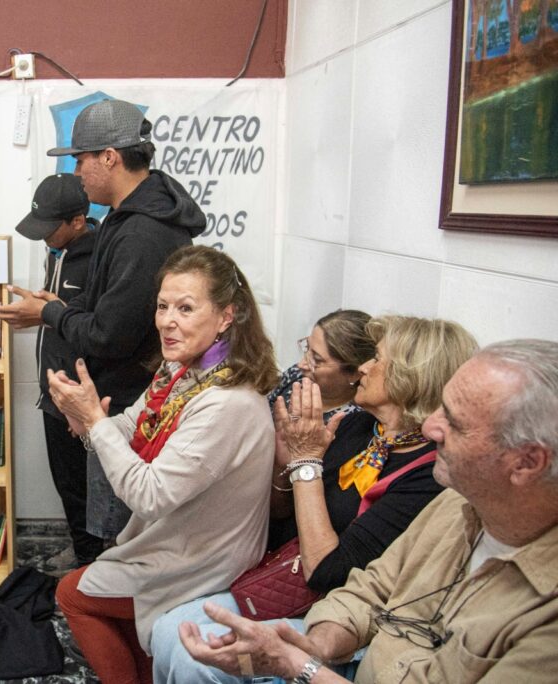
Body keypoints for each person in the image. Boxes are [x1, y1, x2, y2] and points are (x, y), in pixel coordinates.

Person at [176, 339, 558, 684]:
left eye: (454, 423)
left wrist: (297, 664)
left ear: (526, 462)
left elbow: (328, 570)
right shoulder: (456, 502)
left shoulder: (546, 616)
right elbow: (367, 589)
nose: (431, 427)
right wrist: (314, 646)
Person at [48, 245, 280, 684]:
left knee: (71, 594)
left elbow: (150, 495)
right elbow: (129, 425)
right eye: (162, 306)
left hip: (207, 557)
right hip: (178, 539)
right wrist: (86, 421)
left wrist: (96, 423)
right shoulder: (183, 370)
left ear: (226, 316)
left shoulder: (226, 403)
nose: (166, 320)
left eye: (186, 308)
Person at [0, 99, 206, 557]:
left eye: (80, 158)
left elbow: (110, 335)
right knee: (102, 523)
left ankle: (95, 611)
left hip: (124, 405)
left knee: (114, 535)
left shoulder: (143, 232)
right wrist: (59, 306)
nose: (77, 170)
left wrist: (50, 314)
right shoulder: (123, 219)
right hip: (112, 403)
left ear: (109, 156)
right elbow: (104, 304)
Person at [14, 173, 100, 567]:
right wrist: (35, 315)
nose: (43, 236)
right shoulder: (58, 253)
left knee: (84, 488)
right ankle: (83, 554)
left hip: (76, 400)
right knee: (66, 485)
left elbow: (97, 334)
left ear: (78, 222)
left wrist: (76, 405)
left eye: (50, 229)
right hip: (54, 394)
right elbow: (63, 318)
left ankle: (88, 565)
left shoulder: (97, 261)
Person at [268, 310, 375, 422]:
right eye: (307, 348)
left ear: (354, 373)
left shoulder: (357, 421)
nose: (302, 364)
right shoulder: (297, 375)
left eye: (317, 360)